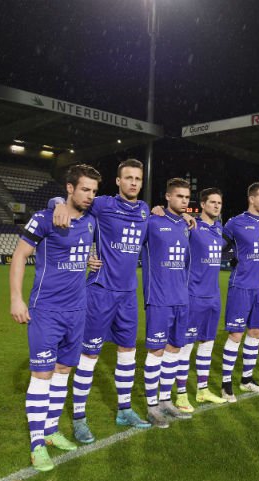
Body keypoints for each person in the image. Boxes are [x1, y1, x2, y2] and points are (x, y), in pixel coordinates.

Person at [50, 159, 154, 443]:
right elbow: (72, 201)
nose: (133, 182)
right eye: (128, 178)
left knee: (127, 353)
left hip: (127, 295)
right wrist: (57, 202)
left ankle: (124, 410)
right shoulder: (103, 204)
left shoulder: (145, 210)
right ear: (118, 182)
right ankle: (80, 417)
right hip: (100, 291)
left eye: (138, 179)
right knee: (89, 355)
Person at [9, 164, 100, 471]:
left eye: (94, 191)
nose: (89, 196)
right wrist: (16, 298)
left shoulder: (90, 221)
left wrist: (88, 259)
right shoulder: (46, 217)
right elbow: (20, 256)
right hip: (46, 310)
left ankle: (50, 432)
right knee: (42, 375)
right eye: (84, 189)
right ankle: (36, 445)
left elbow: (77, 247)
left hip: (77, 311)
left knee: (63, 371)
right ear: (70, 188)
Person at [140, 178, 194, 428]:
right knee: (156, 351)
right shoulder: (152, 221)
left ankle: (165, 401)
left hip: (181, 299)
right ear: (168, 197)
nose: (184, 200)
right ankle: (152, 406)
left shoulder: (185, 225)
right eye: (180, 196)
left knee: (174, 350)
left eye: (187, 197)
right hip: (159, 299)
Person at [220, 182, 259, 400]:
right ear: (251, 199)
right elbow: (217, 245)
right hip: (241, 285)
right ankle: (225, 385)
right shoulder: (235, 223)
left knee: (256, 333)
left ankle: (247, 380)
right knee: (236, 334)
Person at [186, 188, 228, 405]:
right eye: (212, 202)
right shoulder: (191, 226)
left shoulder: (219, 228)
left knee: (207, 343)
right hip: (194, 295)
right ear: (202, 204)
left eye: (219, 203)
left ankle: (202, 389)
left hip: (213, 296)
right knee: (185, 345)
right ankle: (181, 394)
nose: (216, 206)